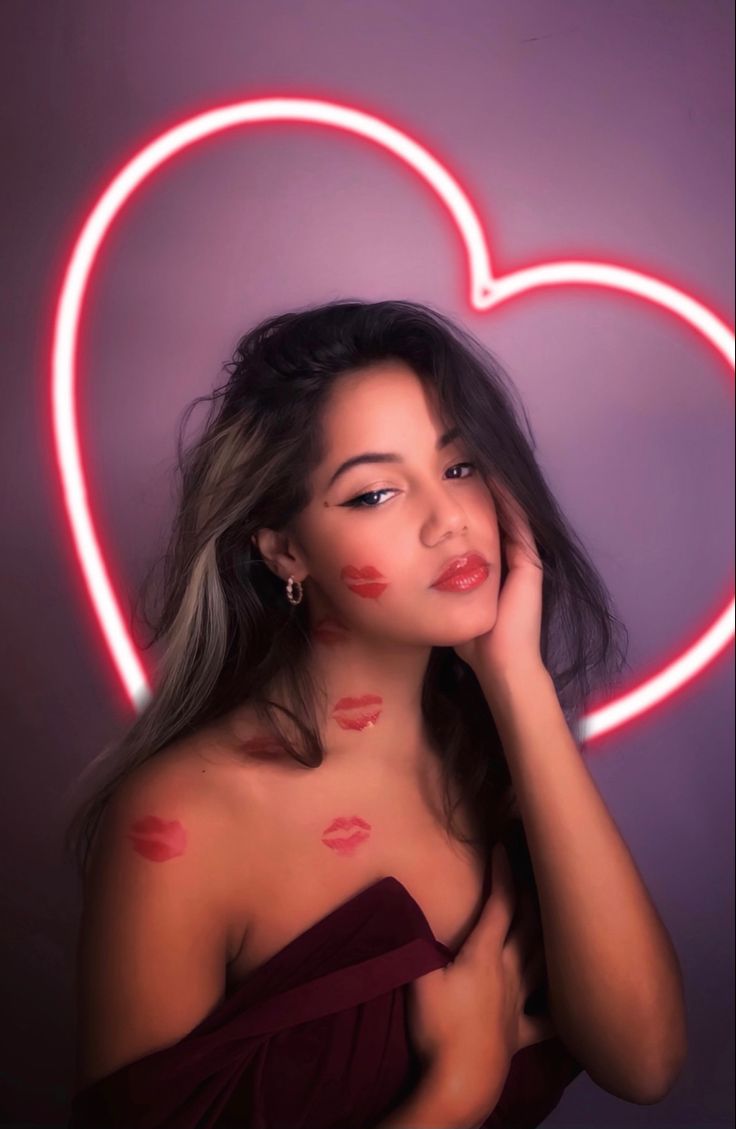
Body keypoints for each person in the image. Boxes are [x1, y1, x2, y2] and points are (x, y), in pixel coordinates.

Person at [64, 298, 659, 1127]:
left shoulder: (498, 753)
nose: (449, 518)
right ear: (284, 551)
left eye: (458, 468)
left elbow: (644, 1059)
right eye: (377, 493)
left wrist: (515, 677)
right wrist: (456, 1090)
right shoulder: (183, 822)